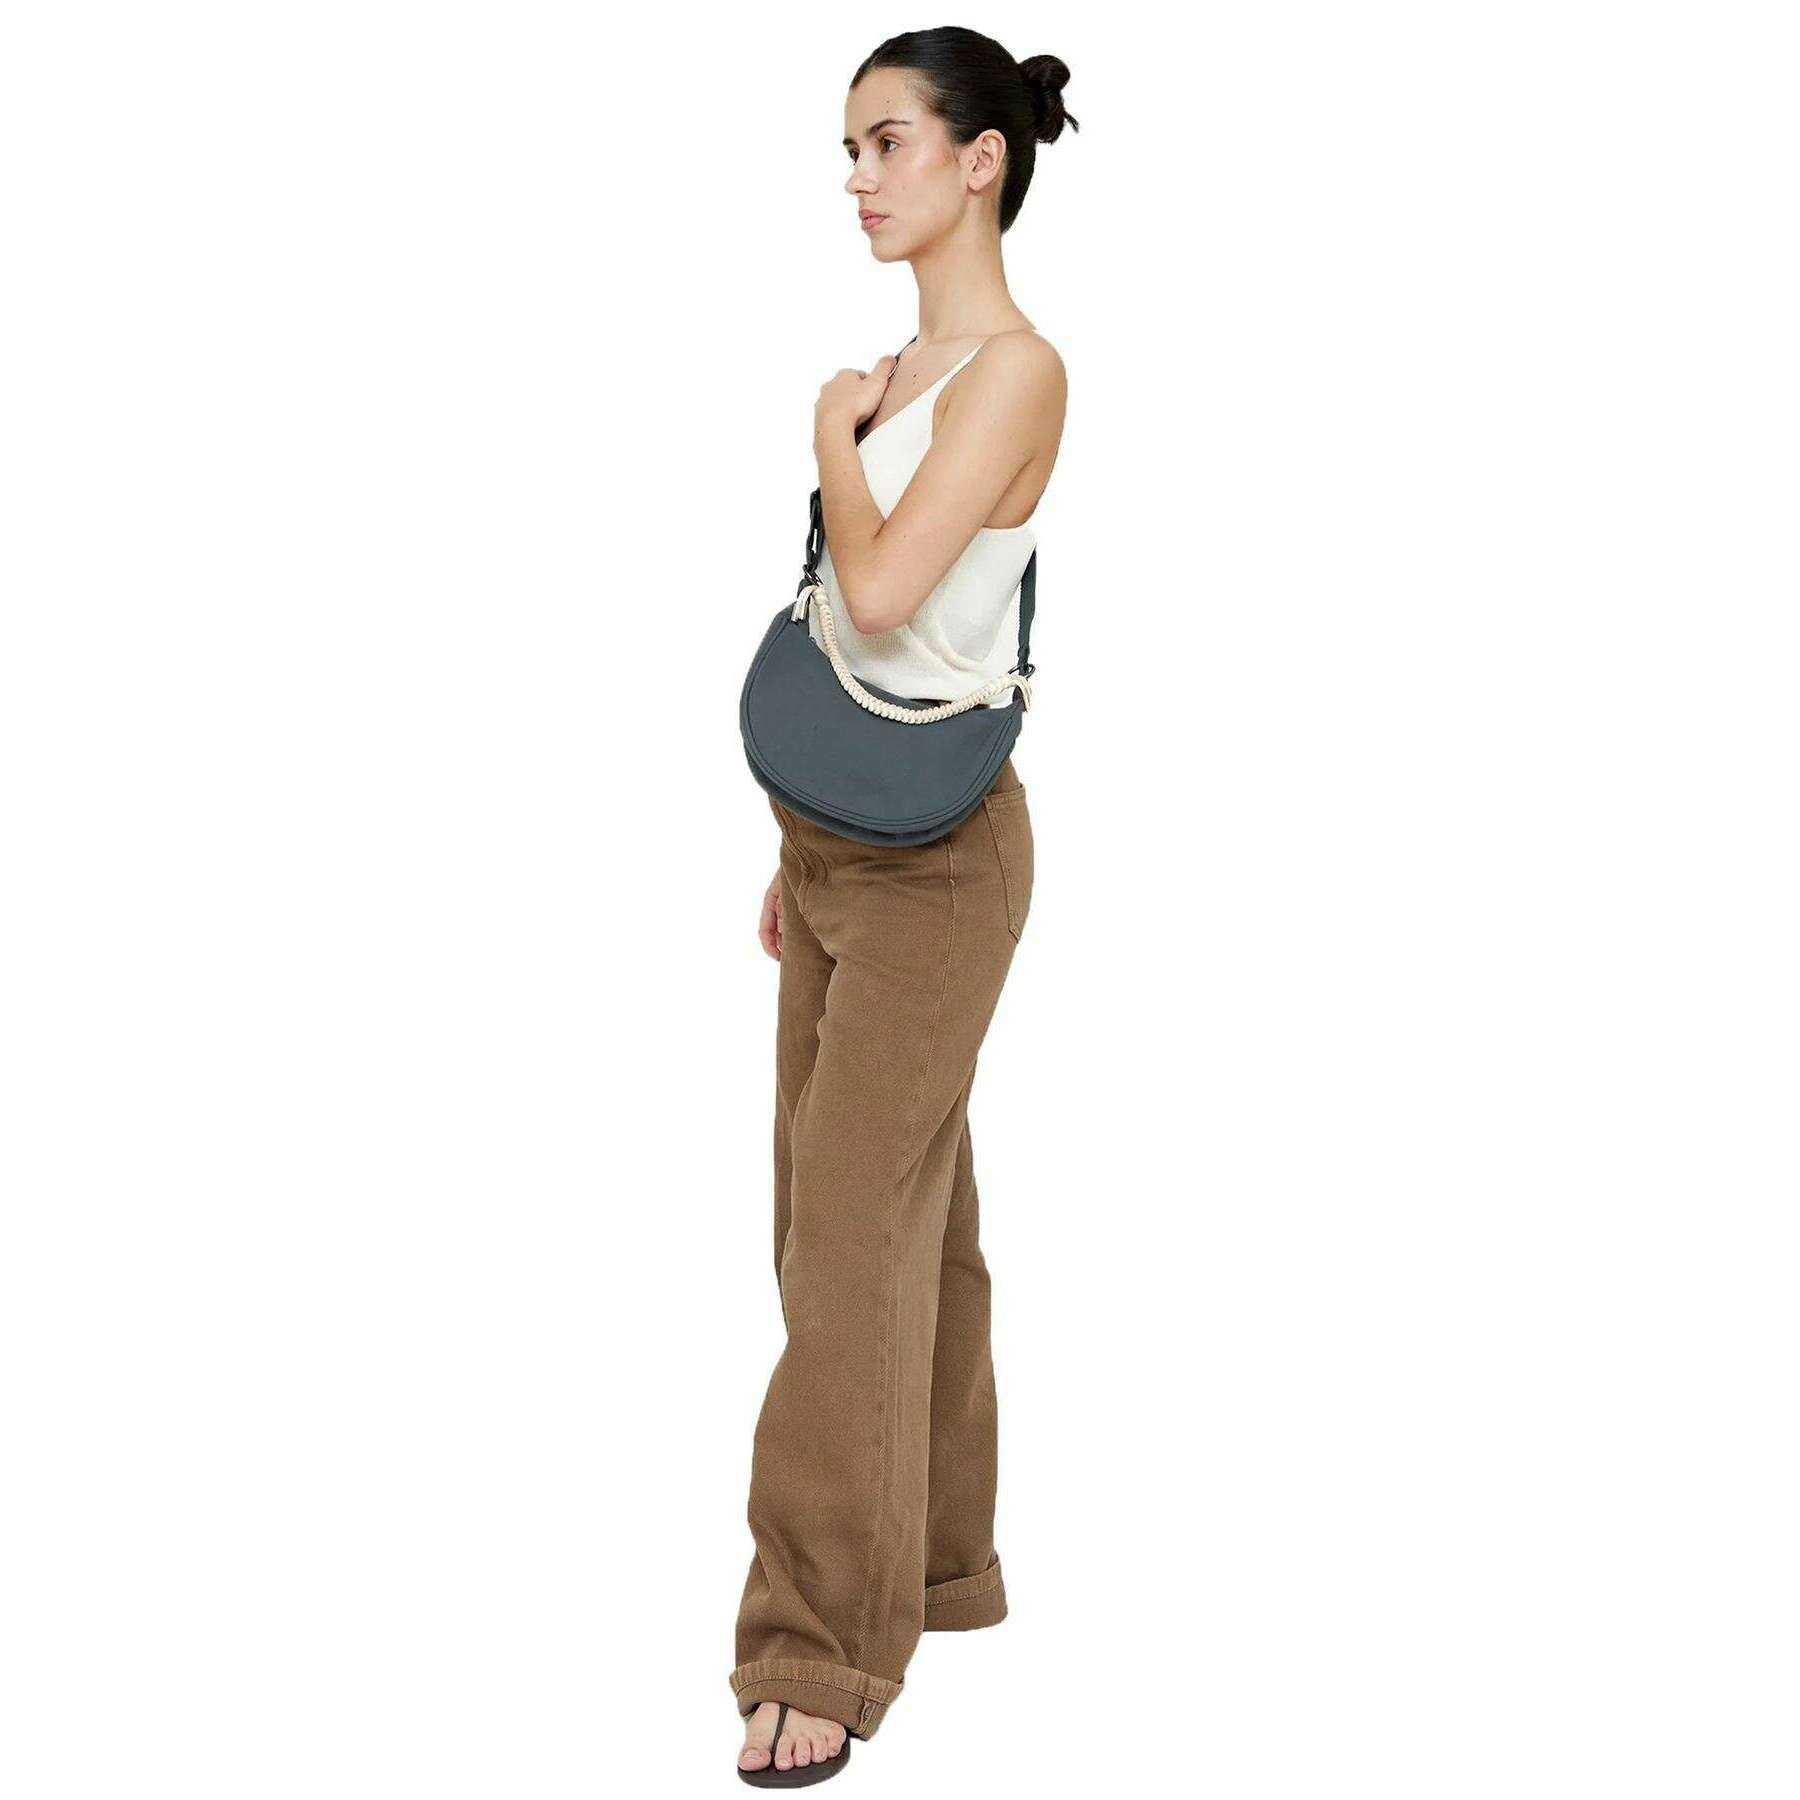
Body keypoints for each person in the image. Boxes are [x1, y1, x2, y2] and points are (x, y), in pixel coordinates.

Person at [733, 28, 1076, 1786]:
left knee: (847, 1242)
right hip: (841, 845)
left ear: (979, 160)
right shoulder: (913, 366)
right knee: (887, 1223)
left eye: (887, 142)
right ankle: (941, 1564)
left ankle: (815, 1645)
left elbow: (875, 591)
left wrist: (827, 435)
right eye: (850, 149)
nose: (858, 178)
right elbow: (860, 639)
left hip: (943, 867)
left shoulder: (1012, 370)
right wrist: (799, 849)